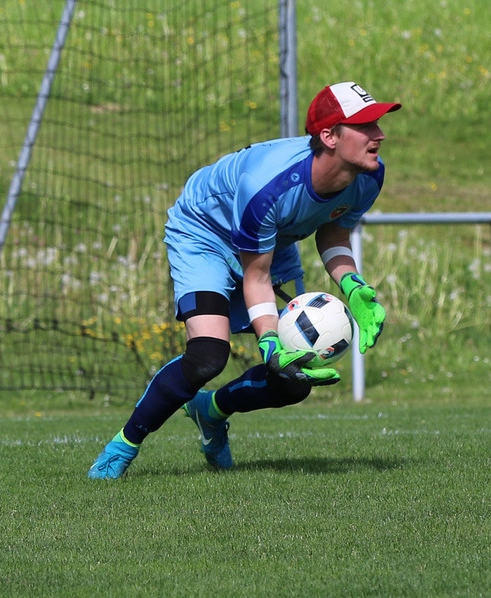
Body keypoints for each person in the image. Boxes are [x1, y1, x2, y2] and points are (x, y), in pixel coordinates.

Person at [88, 82, 401, 478]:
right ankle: (124, 444)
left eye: (377, 123)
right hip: (204, 234)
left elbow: (334, 233)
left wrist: (354, 289)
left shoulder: (369, 176)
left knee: (294, 377)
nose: (379, 134)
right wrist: (270, 342)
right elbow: (257, 277)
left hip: (271, 242)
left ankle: (211, 410)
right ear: (329, 137)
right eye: (366, 125)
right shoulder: (268, 185)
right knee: (207, 356)